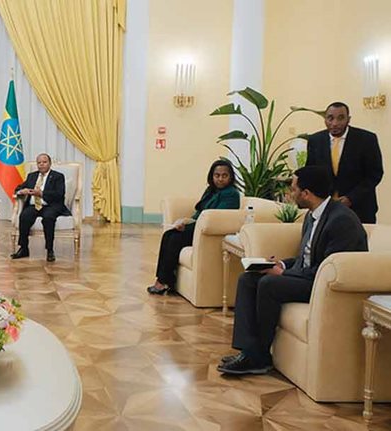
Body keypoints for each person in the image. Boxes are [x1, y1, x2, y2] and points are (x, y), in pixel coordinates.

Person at [218, 166, 367, 375]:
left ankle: (260, 355)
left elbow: (327, 270)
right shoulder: (312, 215)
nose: (291, 193)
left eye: (294, 188)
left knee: (270, 284)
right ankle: (249, 351)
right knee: (248, 278)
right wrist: (281, 265)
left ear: (306, 193)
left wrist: (283, 275)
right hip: (308, 275)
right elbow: (306, 257)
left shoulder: (341, 221)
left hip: (323, 285)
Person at [147, 160, 240, 294]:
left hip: (208, 232)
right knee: (168, 235)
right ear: (211, 176)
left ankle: (162, 283)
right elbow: (199, 212)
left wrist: (188, 226)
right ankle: (163, 281)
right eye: (217, 175)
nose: (220, 179)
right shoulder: (211, 190)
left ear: (230, 177)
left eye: (224, 176)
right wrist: (185, 221)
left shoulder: (231, 194)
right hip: (199, 228)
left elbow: (215, 217)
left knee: (174, 239)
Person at [306, 102, 383, 223]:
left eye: (341, 118)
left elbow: (374, 175)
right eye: (330, 118)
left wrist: (351, 198)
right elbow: (311, 172)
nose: (335, 123)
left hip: (360, 208)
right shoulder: (315, 140)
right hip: (325, 209)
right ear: (325, 119)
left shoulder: (367, 139)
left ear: (348, 119)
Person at [10, 153, 70, 262]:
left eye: (44, 162)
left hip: (51, 205)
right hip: (34, 205)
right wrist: (21, 191)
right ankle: (23, 248)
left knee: (48, 218)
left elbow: (59, 194)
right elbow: (18, 188)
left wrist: (41, 193)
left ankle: (50, 250)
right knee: (24, 216)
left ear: (50, 163)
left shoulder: (58, 176)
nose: (41, 165)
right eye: (39, 163)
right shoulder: (32, 176)